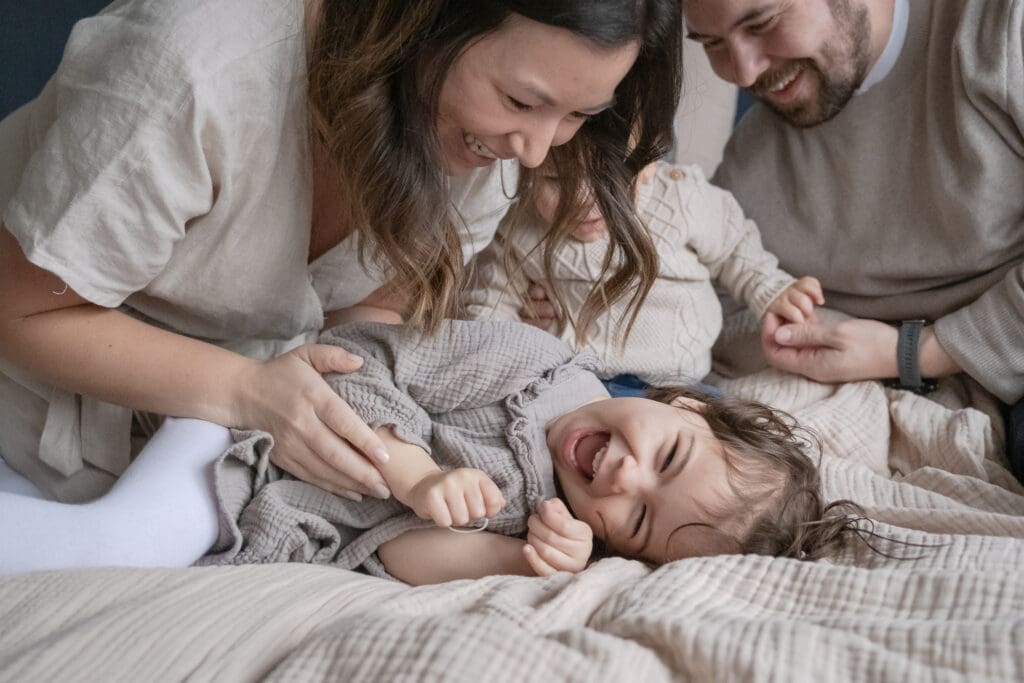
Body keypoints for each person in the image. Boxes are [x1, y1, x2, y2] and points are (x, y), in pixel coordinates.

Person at [0, 0, 683, 505]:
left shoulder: (485, 142)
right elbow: (21, 311)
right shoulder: (196, 68)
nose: (535, 150)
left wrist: (403, 446)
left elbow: (365, 327)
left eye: (577, 115)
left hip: (221, 430)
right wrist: (245, 390)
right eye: (520, 100)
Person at [0, 319, 867, 582]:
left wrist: (517, 561)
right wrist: (412, 466)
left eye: (637, 521)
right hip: (241, 425)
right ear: (685, 404)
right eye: (667, 454)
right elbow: (361, 358)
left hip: (258, 505)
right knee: (112, 548)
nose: (622, 476)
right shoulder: (540, 372)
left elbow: (395, 551)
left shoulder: (556, 523)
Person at [680, 0, 1024, 480]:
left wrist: (913, 352)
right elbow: (706, 307)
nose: (742, 72)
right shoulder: (750, 168)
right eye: (712, 43)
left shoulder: (1000, 28)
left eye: (762, 22)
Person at [465, 157, 824, 390]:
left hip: (678, 384)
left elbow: (734, 246)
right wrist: (497, 352)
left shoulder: (679, 198)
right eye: (556, 179)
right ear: (526, 171)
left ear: (649, 163)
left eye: (609, 174)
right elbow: (490, 306)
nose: (583, 200)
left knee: (720, 442)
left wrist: (770, 288)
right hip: (574, 381)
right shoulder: (516, 227)